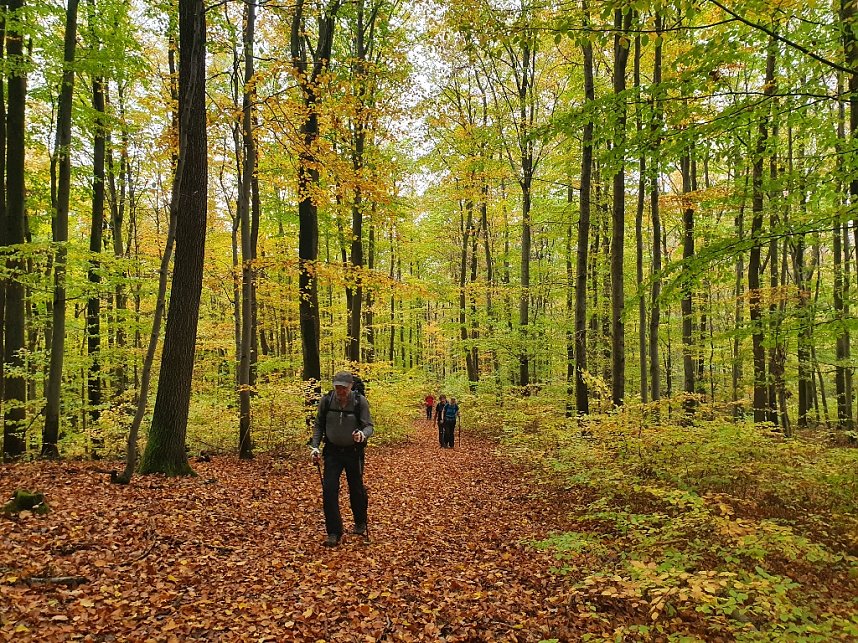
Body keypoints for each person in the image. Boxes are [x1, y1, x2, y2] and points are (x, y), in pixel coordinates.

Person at [310, 371, 374, 547]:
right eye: (337, 387)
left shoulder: (359, 401)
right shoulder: (326, 401)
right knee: (329, 490)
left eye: (344, 387)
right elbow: (319, 425)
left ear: (351, 386)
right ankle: (333, 532)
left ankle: (360, 521)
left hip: (354, 452)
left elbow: (369, 426)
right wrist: (315, 446)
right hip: (332, 452)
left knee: (356, 489)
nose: (340, 390)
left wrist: (362, 434)